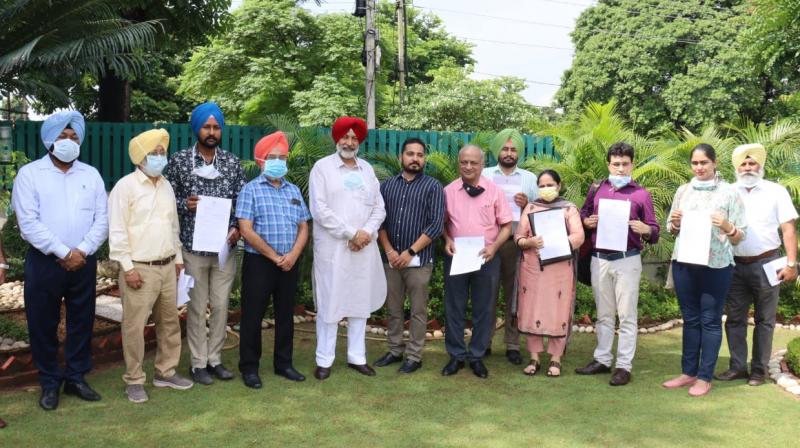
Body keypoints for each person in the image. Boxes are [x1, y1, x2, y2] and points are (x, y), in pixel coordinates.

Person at [12, 111, 108, 411]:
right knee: (43, 322)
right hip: (45, 262)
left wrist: (82, 251)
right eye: (63, 136)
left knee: (82, 320)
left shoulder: (91, 175)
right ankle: (50, 381)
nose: (69, 141)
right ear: (49, 140)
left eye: (74, 137)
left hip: (84, 261)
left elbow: (102, 219)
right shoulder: (30, 174)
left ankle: (76, 377)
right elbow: (28, 223)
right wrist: (64, 252)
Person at [164, 102, 246, 385]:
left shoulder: (232, 163)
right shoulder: (179, 162)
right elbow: (165, 200)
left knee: (221, 305)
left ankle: (215, 360)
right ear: (196, 129)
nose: (211, 132)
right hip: (193, 249)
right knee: (197, 307)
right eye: (206, 127)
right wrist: (184, 204)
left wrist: (236, 228)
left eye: (216, 127)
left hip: (224, 249)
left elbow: (241, 202)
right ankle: (198, 363)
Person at [109, 129, 194, 403]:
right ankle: (134, 379)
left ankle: (165, 371)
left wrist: (178, 261)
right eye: (154, 153)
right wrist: (127, 267)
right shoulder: (125, 187)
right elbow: (117, 230)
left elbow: (173, 227)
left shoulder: (166, 185)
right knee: (134, 327)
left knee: (169, 322)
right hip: (139, 267)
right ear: (140, 157)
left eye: (162, 152)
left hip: (168, 266)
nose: (160, 157)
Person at [662, 143, 746, 397]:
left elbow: (740, 236)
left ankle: (705, 377)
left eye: (704, 163)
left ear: (714, 163)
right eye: (695, 163)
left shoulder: (729, 192)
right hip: (685, 263)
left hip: (715, 265)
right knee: (690, 319)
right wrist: (675, 223)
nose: (699, 167)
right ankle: (688, 372)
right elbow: (671, 228)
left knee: (710, 321)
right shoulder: (683, 191)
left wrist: (727, 226)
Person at [576, 142, 660, 386]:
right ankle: (602, 359)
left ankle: (623, 365)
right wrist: (586, 222)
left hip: (627, 259)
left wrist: (646, 229)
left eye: (625, 164)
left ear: (632, 164)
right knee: (603, 314)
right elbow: (583, 214)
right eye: (616, 164)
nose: (620, 169)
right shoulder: (596, 189)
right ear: (608, 164)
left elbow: (654, 230)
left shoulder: (641, 194)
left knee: (626, 315)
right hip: (599, 259)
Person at [309, 116, 387, 380]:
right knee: (330, 302)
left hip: (363, 248)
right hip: (333, 249)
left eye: (354, 138)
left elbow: (379, 207)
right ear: (337, 138)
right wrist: (351, 233)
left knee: (359, 301)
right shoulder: (322, 168)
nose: (350, 142)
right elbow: (320, 209)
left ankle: (357, 357)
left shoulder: (366, 170)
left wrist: (365, 232)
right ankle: (324, 359)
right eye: (345, 136)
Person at [715, 144, 797, 386]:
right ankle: (737, 367)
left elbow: (788, 229)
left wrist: (792, 264)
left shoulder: (776, 191)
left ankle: (759, 371)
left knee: (765, 320)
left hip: (768, 263)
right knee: (734, 319)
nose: (748, 167)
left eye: (752, 163)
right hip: (734, 265)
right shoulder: (727, 191)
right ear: (737, 167)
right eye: (743, 164)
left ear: (760, 166)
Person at [236, 132, 311, 388]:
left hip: (289, 262)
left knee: (285, 314)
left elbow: (303, 226)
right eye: (272, 157)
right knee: (252, 315)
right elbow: (246, 229)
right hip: (260, 263)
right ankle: (249, 367)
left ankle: (284, 364)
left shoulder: (293, 190)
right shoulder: (250, 190)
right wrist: (274, 256)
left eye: (282, 157)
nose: (278, 162)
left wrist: (293, 255)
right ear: (261, 161)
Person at [373, 138, 445, 374]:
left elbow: (436, 225)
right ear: (401, 157)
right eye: (410, 154)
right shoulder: (386, 187)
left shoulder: (433, 187)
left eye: (420, 155)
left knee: (418, 310)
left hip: (419, 261)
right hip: (391, 260)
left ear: (424, 159)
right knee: (393, 308)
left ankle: (414, 355)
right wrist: (390, 251)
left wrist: (410, 252)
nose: (415, 158)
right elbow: (380, 221)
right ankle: (395, 350)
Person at [441, 145, 513, 379]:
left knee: (485, 308)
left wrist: (494, 247)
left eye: (473, 162)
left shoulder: (494, 191)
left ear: (482, 165)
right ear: (459, 163)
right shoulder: (448, 191)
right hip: (457, 257)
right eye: (464, 162)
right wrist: (447, 239)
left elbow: (506, 225)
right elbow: (440, 222)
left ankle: (476, 356)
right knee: (454, 306)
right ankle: (456, 355)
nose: (468, 166)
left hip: (486, 257)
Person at [514, 170, 584, 377]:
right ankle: (534, 358)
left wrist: (555, 244)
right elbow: (518, 237)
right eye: (542, 186)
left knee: (557, 311)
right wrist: (529, 242)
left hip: (560, 269)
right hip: (532, 269)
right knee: (532, 309)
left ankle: (556, 359)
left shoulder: (569, 209)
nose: (546, 189)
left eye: (550, 185)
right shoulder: (531, 207)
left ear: (559, 186)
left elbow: (578, 236)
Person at [481, 129, 538, 365]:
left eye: (513, 149)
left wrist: (527, 204)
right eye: (505, 148)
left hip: (516, 242)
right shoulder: (484, 174)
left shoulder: (529, 178)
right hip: (489, 242)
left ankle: (512, 345)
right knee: (487, 294)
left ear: (519, 153)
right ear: (497, 150)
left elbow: (539, 210)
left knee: (514, 295)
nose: (509, 153)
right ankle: (483, 342)